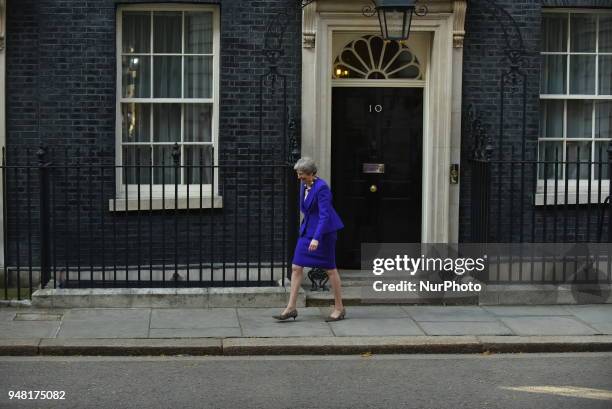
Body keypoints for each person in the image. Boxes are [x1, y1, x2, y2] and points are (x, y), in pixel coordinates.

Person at [273, 157, 346, 322]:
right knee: (296, 267)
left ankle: (339, 308)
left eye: (302, 174)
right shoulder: (304, 184)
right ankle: (291, 307)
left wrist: (316, 238)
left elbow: (325, 215)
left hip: (323, 233)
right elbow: (305, 209)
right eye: (298, 174)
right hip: (307, 231)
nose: (299, 177)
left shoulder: (322, 188)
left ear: (312, 174)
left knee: (330, 269)